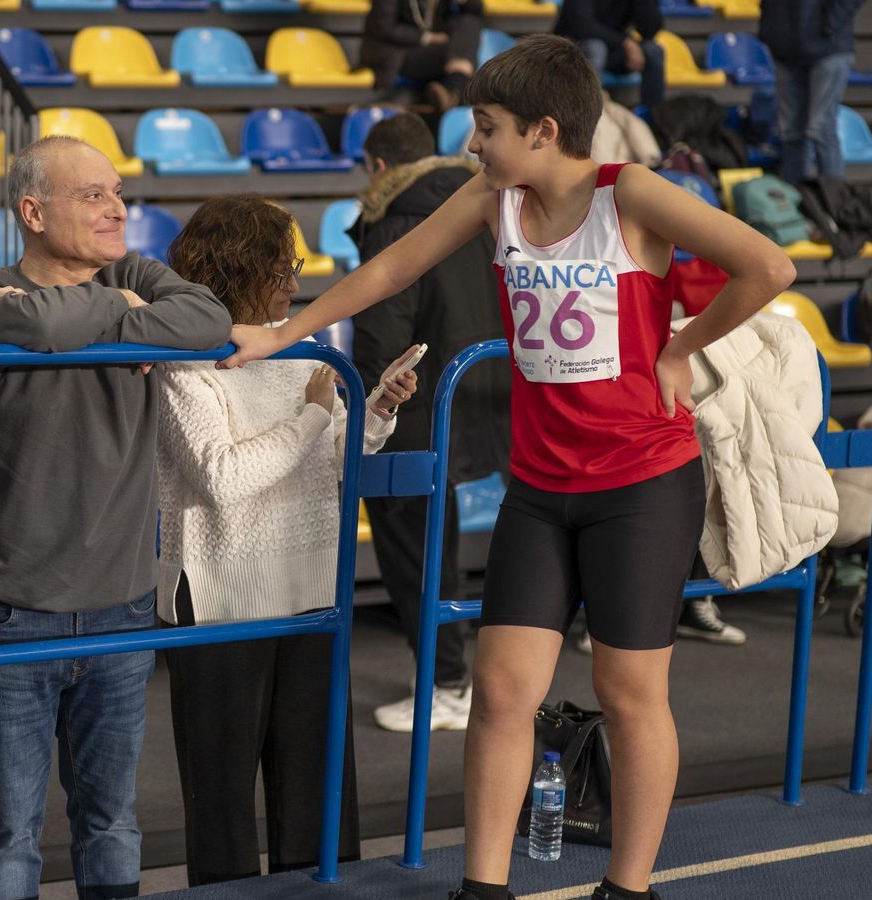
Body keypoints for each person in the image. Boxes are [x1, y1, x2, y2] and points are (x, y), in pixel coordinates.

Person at [222, 35, 796, 900]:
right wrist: (280, 334)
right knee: (499, 691)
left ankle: (628, 887)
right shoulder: (494, 197)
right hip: (541, 486)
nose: (472, 145)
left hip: (640, 482)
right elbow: (391, 265)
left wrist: (681, 346)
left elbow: (770, 265)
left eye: (484, 127)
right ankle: (483, 887)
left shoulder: (628, 193)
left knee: (627, 690)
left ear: (543, 129)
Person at [0, 135, 232, 900]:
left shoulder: (136, 272)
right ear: (32, 212)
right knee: (7, 833)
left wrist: (110, 313)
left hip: (121, 608)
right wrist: (126, 315)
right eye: (92, 195)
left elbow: (206, 319)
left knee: (112, 823)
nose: (116, 209)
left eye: (118, 192)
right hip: (8, 611)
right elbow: (30, 328)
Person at [156, 194, 417, 883]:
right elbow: (223, 479)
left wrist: (375, 411)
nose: (295, 285)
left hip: (311, 592)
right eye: (281, 267)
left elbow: (332, 460)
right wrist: (311, 416)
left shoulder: (303, 347)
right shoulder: (185, 363)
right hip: (219, 605)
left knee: (321, 807)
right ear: (240, 267)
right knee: (222, 814)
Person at [352, 114, 512, 733]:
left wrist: (368, 408)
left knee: (414, 550)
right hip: (491, 390)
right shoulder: (484, 204)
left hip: (417, 405)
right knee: (440, 548)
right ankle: (455, 678)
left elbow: (381, 330)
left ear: (380, 168)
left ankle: (447, 684)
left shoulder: (394, 219)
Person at [760, 0, 864, 185]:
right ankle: (799, 204)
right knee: (790, 131)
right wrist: (770, 29)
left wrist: (828, 24)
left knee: (821, 129)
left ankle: (834, 205)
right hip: (784, 46)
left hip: (829, 47)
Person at [362, 0, 485, 111]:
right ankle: (457, 92)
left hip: (439, 50)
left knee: (469, 21)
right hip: (396, 52)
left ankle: (452, 93)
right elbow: (383, 28)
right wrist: (426, 38)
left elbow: (476, 10)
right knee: (459, 50)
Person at [553, 0, 667, 113]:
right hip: (573, 50)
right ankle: (585, 114)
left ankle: (655, 118)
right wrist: (625, 43)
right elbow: (581, 25)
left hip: (614, 49)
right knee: (596, 47)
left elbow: (650, 30)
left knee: (653, 50)